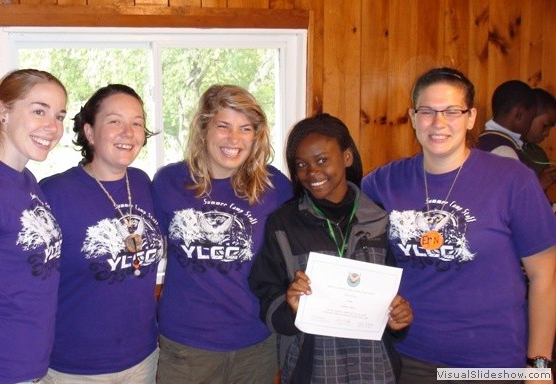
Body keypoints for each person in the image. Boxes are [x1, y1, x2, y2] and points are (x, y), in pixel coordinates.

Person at [361, 67, 556, 383]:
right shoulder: (383, 182)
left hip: (487, 361)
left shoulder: (512, 180)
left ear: (470, 117)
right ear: (412, 117)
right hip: (409, 357)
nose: (438, 123)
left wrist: (539, 366)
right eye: (427, 111)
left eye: (452, 111)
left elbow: (545, 275)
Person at [248, 113, 413, 383]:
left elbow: (394, 299)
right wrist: (290, 306)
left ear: (347, 157)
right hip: (312, 368)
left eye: (322, 160)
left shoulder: (380, 220)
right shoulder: (284, 223)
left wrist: (398, 320)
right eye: (301, 164)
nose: (312, 172)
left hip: (373, 369)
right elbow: (265, 293)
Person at [152, 84, 294, 383]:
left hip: (255, 343)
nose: (234, 138)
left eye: (245, 128)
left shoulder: (276, 187)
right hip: (187, 347)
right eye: (223, 126)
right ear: (204, 129)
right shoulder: (169, 182)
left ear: (256, 135)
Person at [39, 84, 165, 383]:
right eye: (114, 121)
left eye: (137, 123)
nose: (128, 132)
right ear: (90, 133)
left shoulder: (144, 184)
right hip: (74, 366)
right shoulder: (54, 192)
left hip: (143, 358)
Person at [0, 68, 67, 383]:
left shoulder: (25, 181)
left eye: (59, 115)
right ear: (3, 111)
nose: (52, 127)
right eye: (38, 111)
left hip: (29, 368)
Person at [476, 79, 537, 162]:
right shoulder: (505, 152)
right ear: (519, 114)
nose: (530, 124)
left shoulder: (484, 140)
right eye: (531, 118)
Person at [521, 88, 556, 193]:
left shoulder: (538, 154)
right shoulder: (505, 148)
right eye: (545, 126)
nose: (547, 133)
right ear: (528, 116)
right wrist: (539, 184)